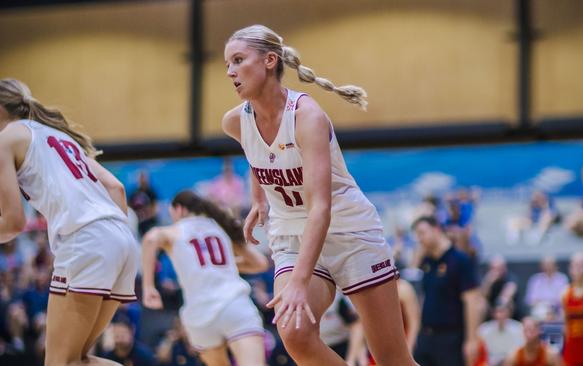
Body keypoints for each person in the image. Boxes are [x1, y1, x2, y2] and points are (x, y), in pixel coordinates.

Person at [221, 24, 417, 366]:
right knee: (294, 334)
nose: (230, 72)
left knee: (392, 359)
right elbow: (257, 153)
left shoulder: (306, 117)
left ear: (269, 60)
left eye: (238, 60)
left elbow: (320, 209)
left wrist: (298, 282)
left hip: (347, 230)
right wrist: (259, 197)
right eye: (227, 64)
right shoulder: (235, 121)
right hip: (293, 234)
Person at [0, 78, 138, 365]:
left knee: (59, 362)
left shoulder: (7, 137)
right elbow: (116, 188)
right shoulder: (59, 136)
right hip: (122, 239)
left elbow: (13, 222)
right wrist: (111, 241)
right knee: (78, 360)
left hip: (86, 239)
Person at [141, 190, 268, 366]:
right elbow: (260, 263)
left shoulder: (175, 231)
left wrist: (148, 287)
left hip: (199, 316)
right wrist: (225, 266)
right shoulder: (219, 227)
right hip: (234, 306)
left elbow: (150, 239)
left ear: (179, 210)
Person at [411, 216, 484, 365]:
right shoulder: (427, 262)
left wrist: (471, 340)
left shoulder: (460, 260)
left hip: (451, 338)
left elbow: (472, 302)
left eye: (422, 233)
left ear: (436, 230)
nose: (419, 239)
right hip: (426, 337)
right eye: (417, 235)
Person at [478, 300, 524, 366]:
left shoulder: (519, 328)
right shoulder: (484, 329)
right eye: (497, 312)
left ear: (509, 313)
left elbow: (520, 351)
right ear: (493, 313)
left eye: (502, 312)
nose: (499, 315)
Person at [525, 256, 569, 320]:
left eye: (550, 264)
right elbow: (531, 300)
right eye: (545, 264)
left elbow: (563, 298)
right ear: (541, 266)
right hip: (540, 310)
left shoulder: (562, 279)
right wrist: (545, 305)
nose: (548, 267)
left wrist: (551, 305)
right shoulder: (535, 279)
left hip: (557, 310)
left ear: (555, 266)